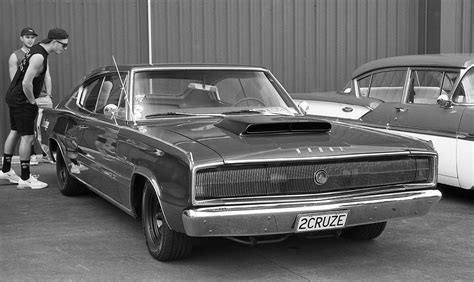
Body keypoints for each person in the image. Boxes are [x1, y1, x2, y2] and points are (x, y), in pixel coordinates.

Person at [0, 28, 69, 189]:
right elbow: (26, 83)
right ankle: (25, 179)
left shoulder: (37, 49)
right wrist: (32, 101)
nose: (65, 49)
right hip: (22, 100)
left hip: (14, 97)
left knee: (15, 131)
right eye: (63, 45)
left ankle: (5, 170)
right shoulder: (38, 56)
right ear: (54, 42)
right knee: (27, 137)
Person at [8, 27, 53, 165]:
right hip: (27, 97)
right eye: (27, 37)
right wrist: (30, 100)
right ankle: (31, 156)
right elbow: (16, 81)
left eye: (32, 37)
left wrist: (49, 95)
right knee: (27, 131)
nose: (30, 39)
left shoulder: (41, 54)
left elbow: (47, 76)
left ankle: (47, 153)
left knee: (46, 126)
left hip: (43, 97)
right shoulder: (15, 56)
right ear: (21, 38)